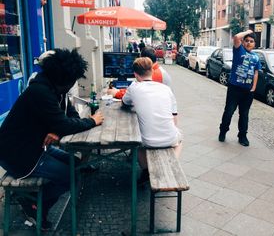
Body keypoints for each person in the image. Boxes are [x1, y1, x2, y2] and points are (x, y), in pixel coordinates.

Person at [0, 49, 104, 229]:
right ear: (64, 79)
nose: (74, 84)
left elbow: (70, 118)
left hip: (34, 147)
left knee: (77, 164)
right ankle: (34, 205)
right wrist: (91, 121)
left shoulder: (55, 90)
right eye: (73, 80)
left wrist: (57, 128)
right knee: (71, 176)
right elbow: (65, 124)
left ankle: (33, 199)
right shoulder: (40, 92)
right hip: (19, 156)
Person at [121, 57, 182, 184]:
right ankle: (171, 164)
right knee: (180, 140)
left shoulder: (134, 87)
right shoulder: (166, 89)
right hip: (169, 138)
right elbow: (174, 118)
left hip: (147, 141)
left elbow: (124, 102)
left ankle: (146, 170)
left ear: (135, 74)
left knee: (136, 143)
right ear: (152, 71)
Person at [218, 30, 261, 146]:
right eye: (246, 41)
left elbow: (256, 73)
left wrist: (254, 87)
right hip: (234, 88)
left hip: (248, 91)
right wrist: (249, 31)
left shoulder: (256, 57)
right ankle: (223, 131)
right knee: (229, 112)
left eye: (251, 41)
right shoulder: (238, 50)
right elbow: (236, 36)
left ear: (254, 44)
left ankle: (242, 136)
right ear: (243, 42)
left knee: (244, 114)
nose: (249, 43)